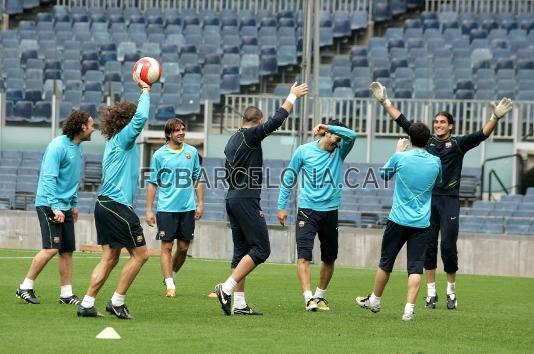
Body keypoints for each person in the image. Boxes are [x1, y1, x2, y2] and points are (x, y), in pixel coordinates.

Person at [369, 81, 513, 310]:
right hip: (429, 200)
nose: (438, 125)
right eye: (435, 122)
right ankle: (431, 292)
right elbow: (402, 120)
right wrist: (385, 101)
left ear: (451, 126)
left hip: (450, 200)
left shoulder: (458, 144)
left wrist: (495, 117)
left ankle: (451, 291)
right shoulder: (426, 141)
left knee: (448, 245)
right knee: (428, 247)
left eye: (442, 122)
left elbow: (482, 134)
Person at [213, 82, 309, 316]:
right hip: (245, 198)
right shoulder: (250, 136)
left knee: (241, 251)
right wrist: (292, 96)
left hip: (233, 197)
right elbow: (275, 122)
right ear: (256, 121)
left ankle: (239, 304)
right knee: (261, 249)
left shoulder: (232, 139)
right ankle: (225, 288)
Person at [77, 74, 151, 319]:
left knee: (110, 258)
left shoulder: (113, 142)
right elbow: (140, 118)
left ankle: (87, 303)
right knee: (141, 255)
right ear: (126, 122)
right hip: (117, 206)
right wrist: (146, 91)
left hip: (104, 205)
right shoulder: (124, 140)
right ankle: (117, 302)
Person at [356, 123, 442, 321]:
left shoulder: (400, 157)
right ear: (428, 139)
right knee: (415, 267)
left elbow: (384, 175)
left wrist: (397, 152)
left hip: (398, 220)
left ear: (410, 139)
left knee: (386, 262)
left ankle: (375, 300)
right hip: (421, 222)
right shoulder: (436, 161)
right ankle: (409, 309)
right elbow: (438, 183)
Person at [15, 111, 95, 304]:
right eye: (91, 125)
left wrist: (73, 205)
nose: (94, 129)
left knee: (67, 250)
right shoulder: (57, 146)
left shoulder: (77, 148)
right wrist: (55, 207)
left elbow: (71, 180)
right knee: (51, 248)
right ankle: (25, 287)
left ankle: (66, 294)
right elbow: (49, 178)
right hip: (49, 204)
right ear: (82, 127)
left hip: (64, 206)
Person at [277, 121, 356, 311]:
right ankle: (308, 298)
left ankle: (319, 297)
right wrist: (281, 205)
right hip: (307, 210)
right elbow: (289, 177)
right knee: (304, 256)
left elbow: (352, 135)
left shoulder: (340, 150)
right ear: (326, 135)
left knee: (329, 258)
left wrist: (330, 128)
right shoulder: (303, 151)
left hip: (330, 211)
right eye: (336, 138)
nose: (339, 142)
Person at [145, 118, 204, 298]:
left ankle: (171, 275)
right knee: (167, 246)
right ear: (169, 134)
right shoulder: (159, 155)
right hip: (166, 209)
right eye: (177, 130)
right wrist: (148, 209)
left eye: (183, 129)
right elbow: (152, 183)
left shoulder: (192, 152)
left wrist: (200, 203)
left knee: (184, 248)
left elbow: (197, 179)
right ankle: (170, 284)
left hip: (187, 208)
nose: (181, 133)